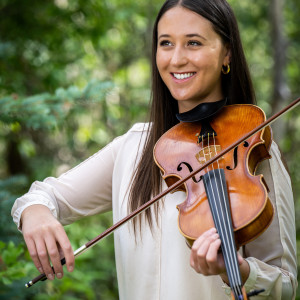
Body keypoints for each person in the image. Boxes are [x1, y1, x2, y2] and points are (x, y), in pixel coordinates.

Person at [12, 0, 297, 299]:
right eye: (166, 43)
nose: (176, 59)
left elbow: (287, 284)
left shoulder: (253, 149)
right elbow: (42, 196)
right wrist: (36, 213)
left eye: (193, 43)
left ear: (227, 53)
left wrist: (237, 271)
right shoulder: (133, 147)